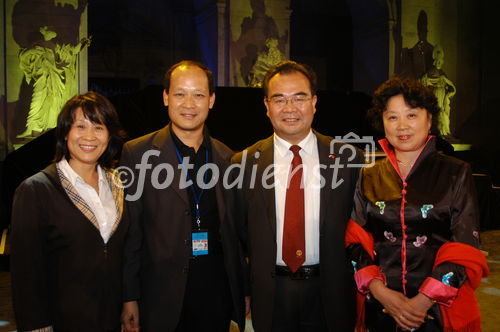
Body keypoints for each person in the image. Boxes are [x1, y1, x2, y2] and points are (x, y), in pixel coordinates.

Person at [346, 77, 488, 331]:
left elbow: (465, 245)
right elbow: (356, 241)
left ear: (429, 120)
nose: (402, 126)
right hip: (381, 306)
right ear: (383, 123)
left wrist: (421, 303)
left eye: (411, 115)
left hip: (437, 309)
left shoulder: (456, 172)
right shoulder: (369, 175)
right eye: (392, 117)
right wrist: (381, 292)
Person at [231, 60, 363, 332]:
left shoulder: (347, 158)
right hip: (271, 293)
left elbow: (361, 228)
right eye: (280, 99)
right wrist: (243, 289)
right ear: (267, 107)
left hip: (332, 292)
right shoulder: (243, 163)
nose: (290, 108)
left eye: (299, 98)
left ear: (314, 102)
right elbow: (237, 235)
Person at [120, 60, 246, 332]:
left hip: (215, 293)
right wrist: (128, 296)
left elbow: (236, 235)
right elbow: (131, 233)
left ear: (211, 100)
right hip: (159, 295)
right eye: (180, 93)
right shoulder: (137, 153)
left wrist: (243, 288)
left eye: (199, 94)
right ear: (166, 97)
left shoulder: (229, 158)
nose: (189, 103)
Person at [10, 91, 127, 331]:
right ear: (65, 133)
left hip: (109, 320)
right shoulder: (36, 189)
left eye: (99, 127)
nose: (89, 136)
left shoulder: (118, 185)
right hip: (63, 322)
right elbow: (26, 276)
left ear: (109, 135)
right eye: (80, 126)